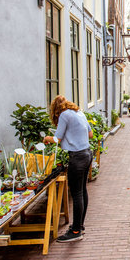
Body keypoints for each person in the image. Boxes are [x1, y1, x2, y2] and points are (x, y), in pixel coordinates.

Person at [43, 95, 93, 243]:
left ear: (56, 111)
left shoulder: (64, 115)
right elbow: (89, 134)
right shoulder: (79, 112)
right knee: (82, 191)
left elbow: (56, 139)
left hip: (77, 157)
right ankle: (80, 225)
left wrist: (46, 138)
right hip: (87, 154)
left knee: (76, 193)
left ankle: (76, 231)